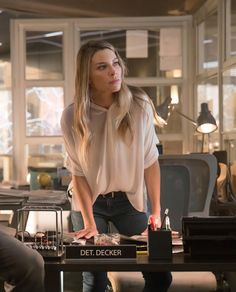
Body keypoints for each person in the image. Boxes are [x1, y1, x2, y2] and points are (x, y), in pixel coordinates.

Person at [61, 40, 172, 292]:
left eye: (115, 63)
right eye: (102, 67)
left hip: (129, 203)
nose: (114, 71)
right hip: (90, 202)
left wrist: (155, 211)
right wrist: (89, 223)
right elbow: (77, 174)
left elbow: (150, 162)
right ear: (87, 77)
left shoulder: (139, 105)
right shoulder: (72, 115)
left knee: (160, 275)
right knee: (95, 279)